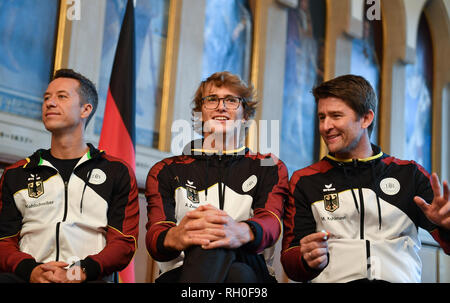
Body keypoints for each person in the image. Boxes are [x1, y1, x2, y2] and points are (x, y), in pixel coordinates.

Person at [281, 74, 450, 283]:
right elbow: (291, 259)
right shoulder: (305, 180)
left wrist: (446, 225)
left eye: (336, 116)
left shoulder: (409, 174)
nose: (326, 126)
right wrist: (305, 258)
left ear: (366, 119)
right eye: (322, 117)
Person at [145, 71, 289, 283]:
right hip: (182, 271)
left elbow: (271, 222)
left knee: (221, 249)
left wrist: (236, 231)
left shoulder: (268, 166)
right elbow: (155, 234)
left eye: (231, 100)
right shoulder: (166, 170)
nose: (221, 107)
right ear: (199, 113)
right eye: (211, 100)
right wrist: (182, 235)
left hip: (252, 265)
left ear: (246, 116)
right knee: (229, 267)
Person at [0, 69, 139, 283]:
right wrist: (31, 271)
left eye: (61, 96)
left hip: (90, 278)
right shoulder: (16, 174)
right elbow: (4, 241)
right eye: (47, 98)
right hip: (29, 277)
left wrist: (80, 270)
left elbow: (123, 243)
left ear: (85, 109)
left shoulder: (116, 171)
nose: (50, 103)